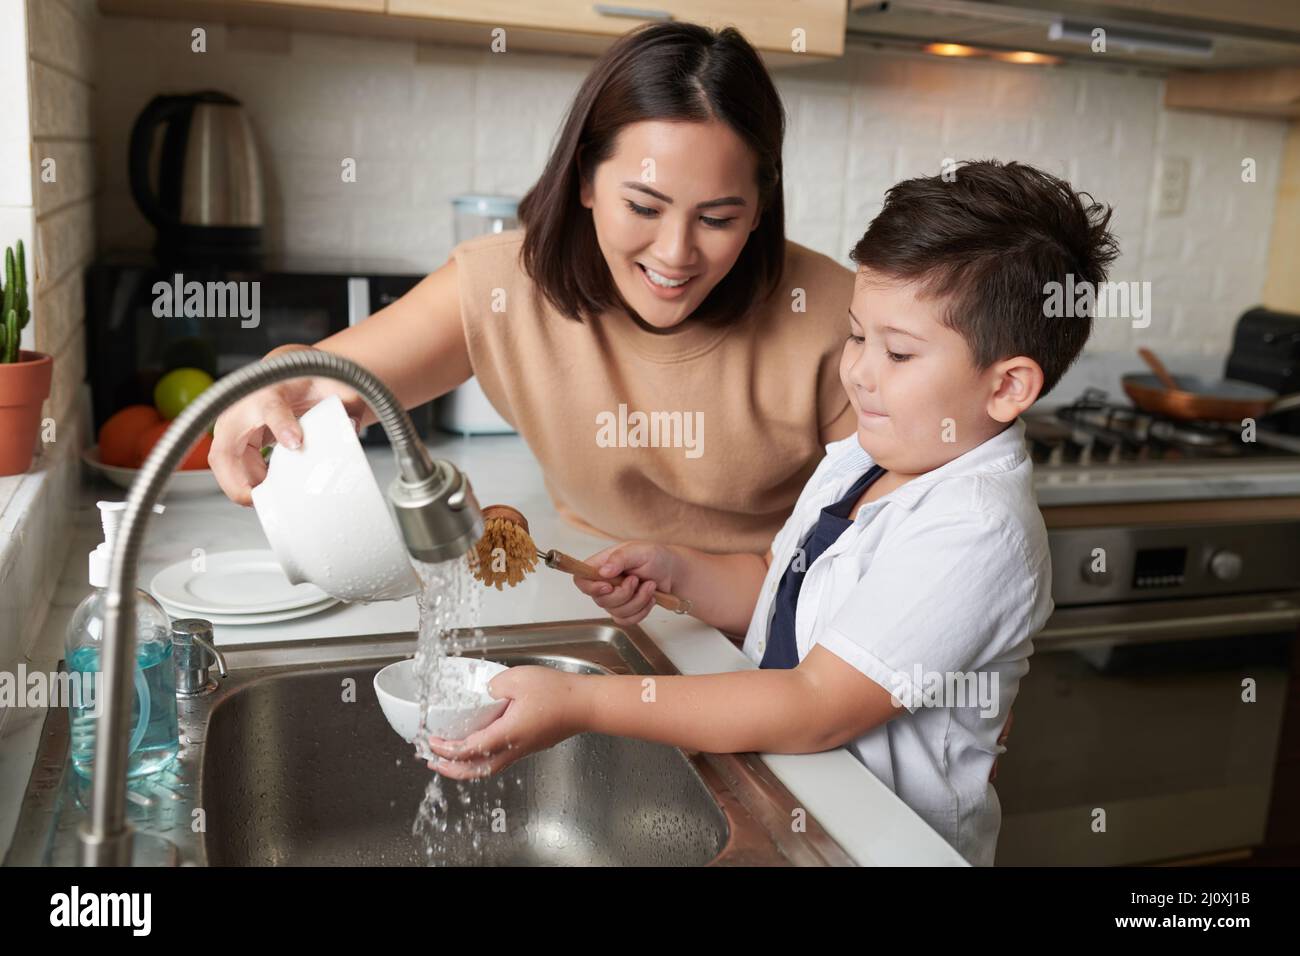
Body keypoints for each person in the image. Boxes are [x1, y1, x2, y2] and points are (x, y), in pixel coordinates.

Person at [425, 160, 1120, 866]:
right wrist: (680, 569)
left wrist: (584, 704)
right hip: (791, 793)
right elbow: (782, 587)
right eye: (856, 336)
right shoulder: (869, 454)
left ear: (1007, 388)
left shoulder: (975, 529)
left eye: (899, 352)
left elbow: (815, 703)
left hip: (874, 843)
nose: (858, 372)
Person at [209, 22, 856, 555]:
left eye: (718, 218)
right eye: (644, 207)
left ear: (762, 207)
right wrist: (275, 385)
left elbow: (884, 542)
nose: (675, 253)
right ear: (584, 181)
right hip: (596, 598)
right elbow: (330, 378)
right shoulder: (504, 286)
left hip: (777, 630)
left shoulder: (836, 319)